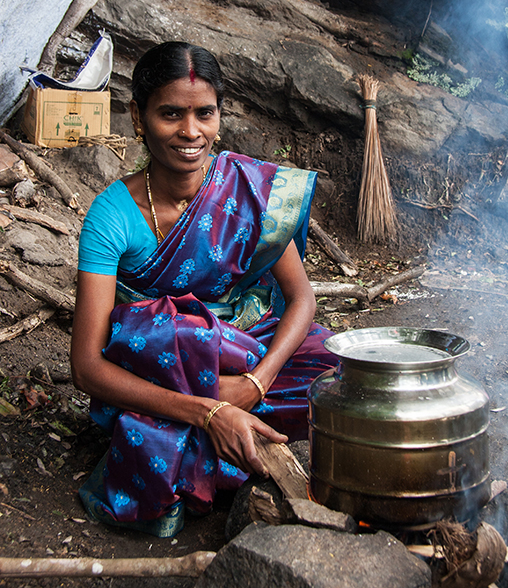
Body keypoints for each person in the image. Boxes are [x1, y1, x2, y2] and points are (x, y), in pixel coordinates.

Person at [70, 41, 338, 537]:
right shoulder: (112, 217)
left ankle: (208, 439)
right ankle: (207, 436)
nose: (191, 132)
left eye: (204, 114)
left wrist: (252, 383)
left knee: (338, 375)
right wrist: (211, 408)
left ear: (219, 115)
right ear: (138, 115)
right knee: (173, 331)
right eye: (171, 113)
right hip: (161, 371)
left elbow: (302, 299)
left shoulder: (249, 190)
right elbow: (87, 367)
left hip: (241, 355)